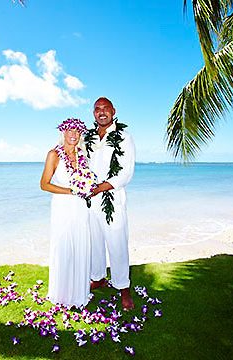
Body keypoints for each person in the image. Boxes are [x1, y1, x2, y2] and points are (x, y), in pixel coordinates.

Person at [86, 97, 135, 311]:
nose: (102, 112)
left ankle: (123, 289)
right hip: (89, 200)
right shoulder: (87, 137)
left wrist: (100, 187)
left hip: (112, 199)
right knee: (94, 242)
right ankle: (97, 278)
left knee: (117, 243)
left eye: (105, 108)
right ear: (93, 113)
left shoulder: (123, 136)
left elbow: (126, 172)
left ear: (113, 111)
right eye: (97, 109)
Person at [40, 118, 95, 308]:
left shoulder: (83, 155)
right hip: (62, 207)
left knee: (80, 245)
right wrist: (70, 191)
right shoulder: (53, 154)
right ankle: (62, 294)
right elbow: (44, 184)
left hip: (80, 208)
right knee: (64, 247)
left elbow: (87, 180)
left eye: (77, 131)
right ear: (63, 133)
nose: (73, 134)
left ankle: (79, 294)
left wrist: (87, 188)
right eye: (69, 131)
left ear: (80, 135)